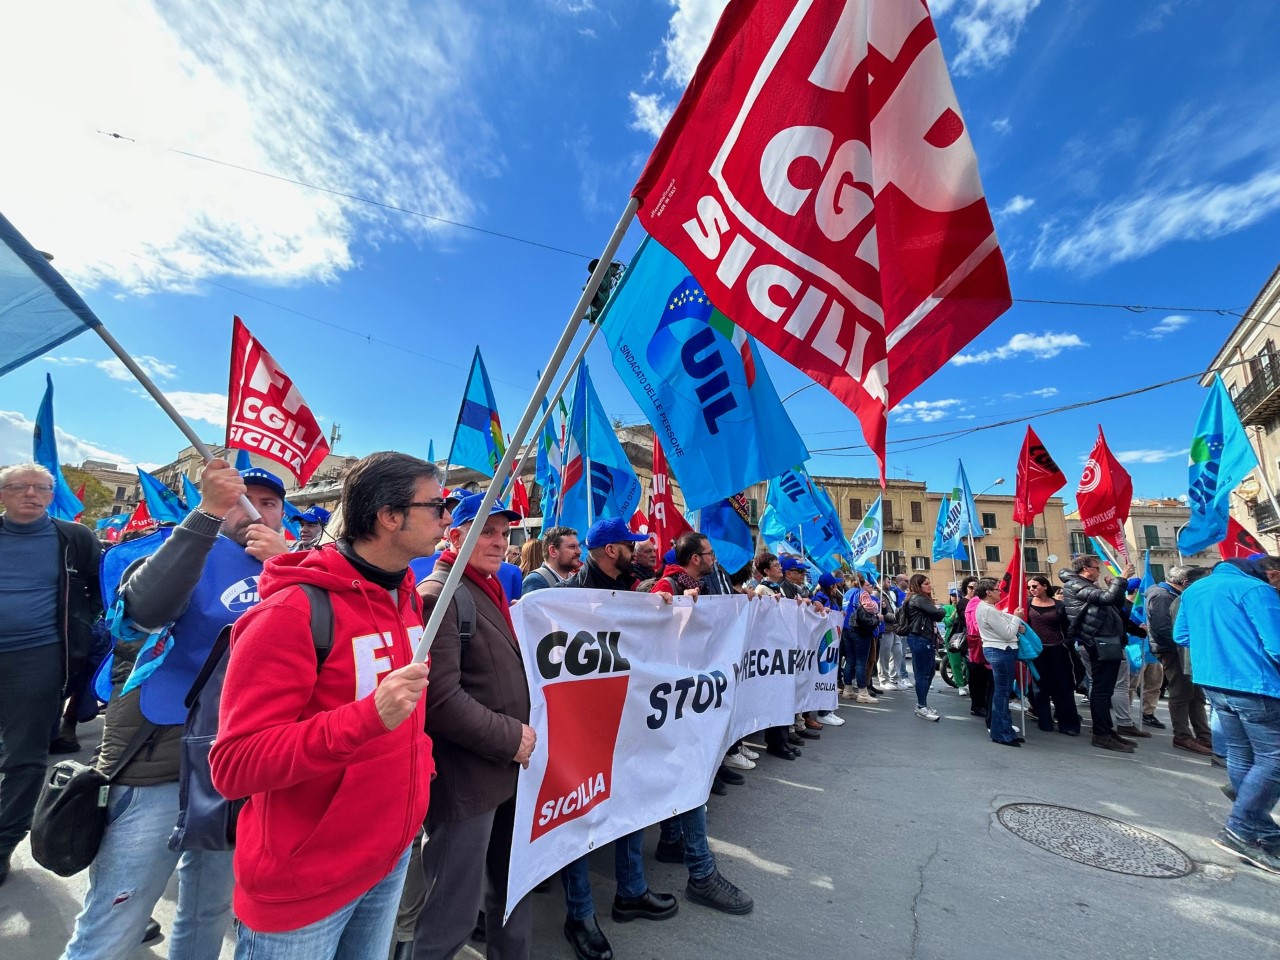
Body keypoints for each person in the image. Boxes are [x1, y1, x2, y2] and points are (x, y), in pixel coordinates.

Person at [210, 452, 444, 957]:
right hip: (303, 885)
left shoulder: (407, 597)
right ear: (389, 516)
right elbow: (234, 765)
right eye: (436, 506)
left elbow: (408, 720)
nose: (447, 518)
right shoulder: (290, 612)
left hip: (389, 854)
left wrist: (418, 772)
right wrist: (367, 718)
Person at [59, 462, 290, 959]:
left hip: (236, 769)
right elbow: (146, 609)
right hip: (158, 762)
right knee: (114, 919)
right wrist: (205, 516)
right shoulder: (173, 552)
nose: (253, 511)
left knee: (209, 911)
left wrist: (289, 568)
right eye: (239, 499)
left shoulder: (291, 569)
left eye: (268, 503)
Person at [413, 492, 537, 959]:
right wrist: (511, 737)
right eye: (486, 531)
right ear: (454, 536)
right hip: (465, 781)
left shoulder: (487, 588)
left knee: (512, 892)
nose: (500, 542)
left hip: (505, 773)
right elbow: (439, 700)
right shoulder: (439, 595)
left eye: (504, 533)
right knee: (451, 916)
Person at [554, 518, 678, 960]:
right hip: (581, 725)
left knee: (631, 802)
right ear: (611, 550)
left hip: (627, 717)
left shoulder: (633, 587)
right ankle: (579, 915)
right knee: (578, 817)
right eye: (630, 544)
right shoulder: (568, 596)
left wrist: (668, 606)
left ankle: (631, 892)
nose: (637, 549)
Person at [0, 463, 101, 887]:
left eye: (41, 488)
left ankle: (2, 844)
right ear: (2, 494)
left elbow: (99, 589)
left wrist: (81, 633)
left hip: (38, 658)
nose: (31, 494)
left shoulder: (74, 538)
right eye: (19, 486)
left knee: (24, 758)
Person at [650, 532, 754, 915]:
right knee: (690, 777)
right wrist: (668, 606)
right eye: (709, 553)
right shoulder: (669, 585)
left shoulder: (702, 586)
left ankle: (671, 841)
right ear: (695, 558)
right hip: (675, 698)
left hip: (691, 695)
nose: (714, 559)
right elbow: (650, 624)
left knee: (685, 774)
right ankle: (701, 872)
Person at [1175, 556, 1280, 874]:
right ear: (1271, 573)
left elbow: (1182, 636)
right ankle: (1241, 829)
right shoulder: (1256, 590)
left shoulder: (1194, 590)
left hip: (1213, 681)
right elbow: (1277, 646)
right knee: (1274, 759)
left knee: (1241, 753)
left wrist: (1220, 647)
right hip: (1255, 683)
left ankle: (1262, 830)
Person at [1060, 554, 1138, 754]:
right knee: (1101, 690)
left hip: (1106, 641)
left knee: (1106, 689)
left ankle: (1107, 730)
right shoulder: (1075, 584)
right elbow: (1107, 598)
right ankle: (1101, 733)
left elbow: (1114, 605)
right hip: (1096, 642)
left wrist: (1115, 586)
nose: (1099, 571)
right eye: (1096, 567)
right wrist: (1122, 578)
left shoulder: (1087, 585)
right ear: (1086, 568)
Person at [1148, 565, 1213, 755]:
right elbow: (1163, 629)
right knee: (1181, 693)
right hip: (1174, 651)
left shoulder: (1174, 594)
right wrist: (1182, 645)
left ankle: (1203, 735)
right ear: (1185, 582)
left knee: (1196, 694)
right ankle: (1182, 736)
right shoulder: (1162, 596)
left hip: (1184, 650)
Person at [753, 553, 803, 760]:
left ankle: (783, 739)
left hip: (783, 648)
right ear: (766, 571)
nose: (779, 568)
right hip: (771, 651)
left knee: (784, 696)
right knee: (774, 698)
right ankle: (775, 742)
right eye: (775, 565)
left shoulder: (778, 588)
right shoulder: (761, 590)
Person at [1026, 574, 1082, 736]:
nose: (1032, 589)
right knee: (1040, 688)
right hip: (1037, 652)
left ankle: (1068, 724)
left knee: (1063, 686)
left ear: (1045, 586)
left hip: (1058, 649)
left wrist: (1066, 643)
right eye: (1029, 587)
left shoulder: (1059, 605)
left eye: (1035, 586)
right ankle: (1045, 721)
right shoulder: (1026, 604)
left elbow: (1071, 627)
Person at [974, 579, 1026, 747]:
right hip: (1001, 651)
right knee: (1002, 693)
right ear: (988, 592)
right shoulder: (988, 609)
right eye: (997, 589)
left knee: (1002, 692)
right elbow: (1008, 634)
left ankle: (1005, 730)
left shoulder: (987, 608)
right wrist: (1017, 619)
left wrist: (1015, 622)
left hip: (1000, 651)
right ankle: (1001, 733)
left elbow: (1005, 622)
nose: (1000, 592)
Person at [900, 574, 945, 721]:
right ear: (918, 586)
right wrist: (942, 609)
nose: (929, 585)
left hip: (922, 637)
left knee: (928, 673)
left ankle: (922, 704)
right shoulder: (918, 598)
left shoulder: (915, 598)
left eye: (929, 583)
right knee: (922, 674)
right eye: (926, 583)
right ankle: (921, 706)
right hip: (920, 638)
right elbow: (937, 614)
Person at [522, 525, 580, 592]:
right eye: (572, 547)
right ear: (553, 551)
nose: (579, 551)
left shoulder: (576, 580)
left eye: (578, 546)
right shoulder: (535, 581)